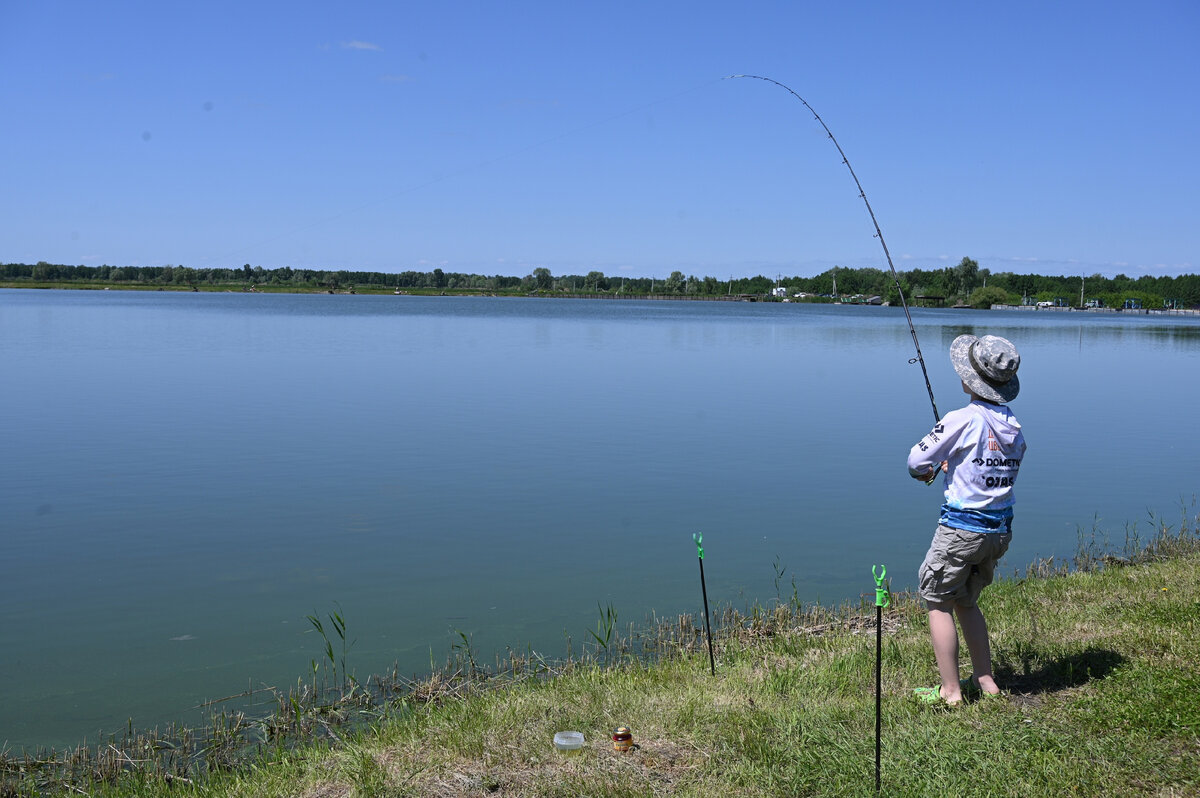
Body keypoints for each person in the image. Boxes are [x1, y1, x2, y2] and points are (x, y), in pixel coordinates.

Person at [907, 334, 1025, 705]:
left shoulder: (961, 419)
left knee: (937, 599)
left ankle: (951, 690)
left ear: (968, 379)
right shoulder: (1015, 429)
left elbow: (915, 462)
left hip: (961, 532)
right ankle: (986, 679)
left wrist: (930, 469)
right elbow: (988, 469)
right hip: (998, 532)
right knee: (967, 602)